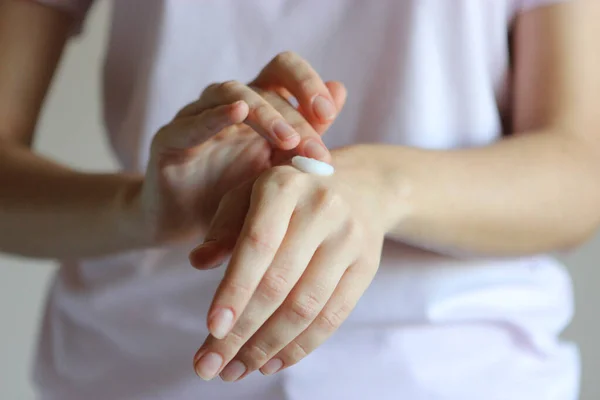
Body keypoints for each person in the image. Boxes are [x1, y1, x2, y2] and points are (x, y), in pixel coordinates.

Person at [0, 0, 597, 398]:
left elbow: (581, 168)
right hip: (143, 369)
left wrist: (378, 186)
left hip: (456, 370)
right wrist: (142, 211)